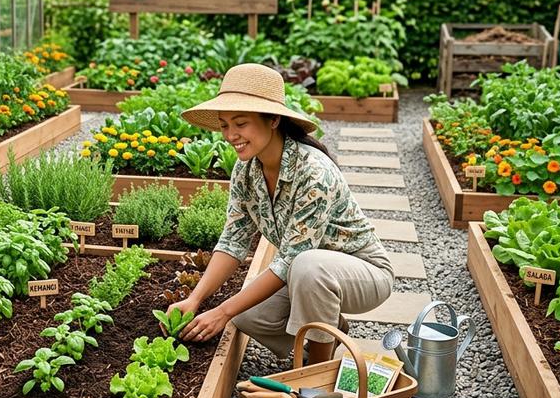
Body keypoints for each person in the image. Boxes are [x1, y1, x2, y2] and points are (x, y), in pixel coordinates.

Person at [166, 63, 394, 364]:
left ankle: (316, 372)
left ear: (273, 119)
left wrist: (221, 311)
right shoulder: (246, 170)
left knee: (307, 266)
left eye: (241, 123)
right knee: (246, 317)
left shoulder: (314, 171)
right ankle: (330, 327)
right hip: (307, 275)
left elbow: (291, 259)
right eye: (224, 125)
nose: (230, 135)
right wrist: (195, 299)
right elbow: (233, 242)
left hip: (364, 272)